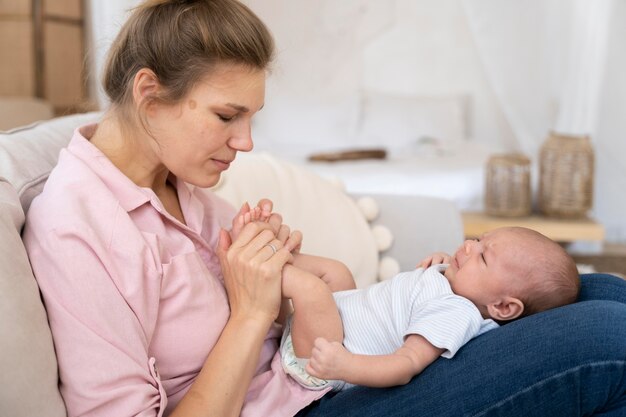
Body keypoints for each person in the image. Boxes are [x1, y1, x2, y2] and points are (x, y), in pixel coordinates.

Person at [20, 1, 626, 416]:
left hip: (318, 377)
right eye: (228, 116)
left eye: (252, 118)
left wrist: (278, 265)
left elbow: (280, 303)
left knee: (598, 290)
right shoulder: (78, 227)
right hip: (309, 404)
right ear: (149, 94)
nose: (247, 142)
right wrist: (253, 311)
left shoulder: (177, 182)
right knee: (608, 337)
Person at [232, 211, 580, 391]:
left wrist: (344, 365)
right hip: (335, 321)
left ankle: (253, 261)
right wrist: (449, 264)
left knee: (314, 290)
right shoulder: (460, 288)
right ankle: (268, 251)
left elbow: (406, 365)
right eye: (477, 240)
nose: (469, 247)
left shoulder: (455, 314)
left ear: (504, 308)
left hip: (321, 362)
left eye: (483, 258)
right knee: (336, 272)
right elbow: (424, 292)